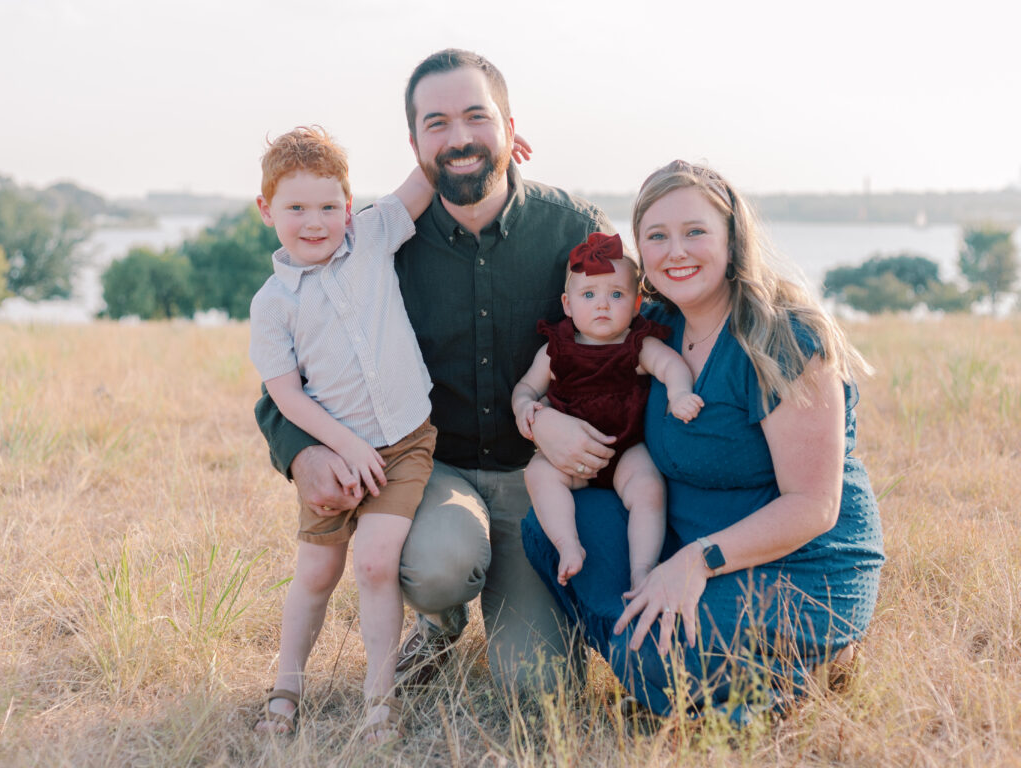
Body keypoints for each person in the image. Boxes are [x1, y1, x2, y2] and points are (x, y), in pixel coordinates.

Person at [254, 50, 616, 696]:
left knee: (538, 690)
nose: (459, 138)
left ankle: (535, 609)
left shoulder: (574, 231)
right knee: (439, 565)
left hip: (539, 483)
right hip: (430, 475)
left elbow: (629, 342)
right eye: (437, 123)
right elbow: (289, 377)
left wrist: (562, 423)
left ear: (509, 126)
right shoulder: (372, 245)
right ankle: (439, 620)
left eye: (477, 118)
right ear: (416, 143)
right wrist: (300, 452)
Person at [521, 159, 885, 723]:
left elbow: (815, 505)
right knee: (548, 529)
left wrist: (698, 561)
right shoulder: (655, 326)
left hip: (793, 564)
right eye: (657, 236)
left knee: (647, 654)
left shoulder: (781, 338)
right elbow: (576, 376)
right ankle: (661, 663)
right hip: (680, 542)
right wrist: (541, 417)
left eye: (695, 232)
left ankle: (804, 663)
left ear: (732, 238)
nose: (677, 251)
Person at [248, 126, 438, 739]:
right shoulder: (273, 302)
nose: (315, 221)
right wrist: (343, 447)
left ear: (348, 207)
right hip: (333, 454)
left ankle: (379, 700)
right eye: (296, 207)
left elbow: (421, 183)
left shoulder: (372, 238)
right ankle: (287, 686)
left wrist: (472, 144)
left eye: (329, 206)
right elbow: (283, 393)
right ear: (266, 210)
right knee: (316, 574)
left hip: (404, 442)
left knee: (377, 563)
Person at [512, 231, 702, 590]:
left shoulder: (637, 345)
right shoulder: (557, 350)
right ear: (568, 305)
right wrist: (524, 406)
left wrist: (679, 394)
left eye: (616, 295)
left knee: (648, 489)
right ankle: (568, 545)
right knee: (538, 474)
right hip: (568, 460)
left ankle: (641, 569)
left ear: (636, 304)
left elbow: (672, 365)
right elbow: (526, 387)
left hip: (626, 450)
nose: (602, 305)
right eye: (589, 295)